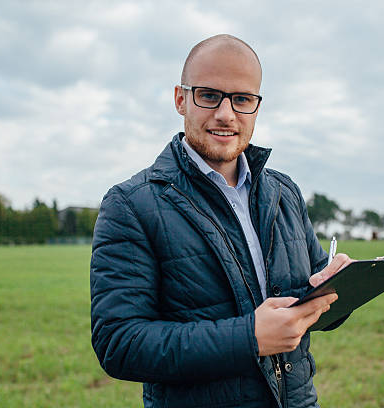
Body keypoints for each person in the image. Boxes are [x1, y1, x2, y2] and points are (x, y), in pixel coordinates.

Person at [90, 34, 353, 408]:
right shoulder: (131, 204)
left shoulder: (284, 191)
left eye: (242, 99)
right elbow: (119, 343)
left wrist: (337, 286)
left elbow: (314, 308)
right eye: (209, 95)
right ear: (181, 99)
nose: (226, 114)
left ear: (256, 107)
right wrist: (250, 338)